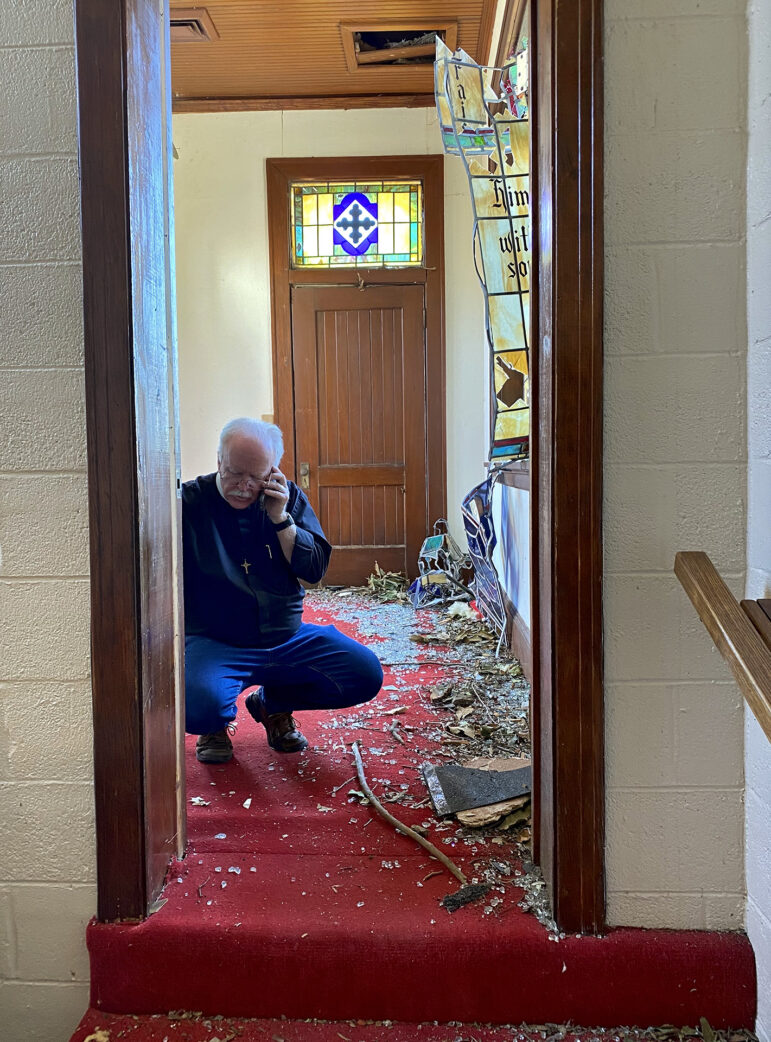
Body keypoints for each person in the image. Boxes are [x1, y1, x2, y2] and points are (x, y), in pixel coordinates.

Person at [182, 417, 383, 763]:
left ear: (272, 471)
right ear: (218, 461)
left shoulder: (285, 497)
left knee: (364, 674)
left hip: (286, 636)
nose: (244, 486)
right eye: (233, 473)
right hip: (215, 641)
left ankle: (272, 704)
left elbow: (314, 570)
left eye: (256, 477)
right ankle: (214, 724)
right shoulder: (188, 502)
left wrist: (281, 520)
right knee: (196, 707)